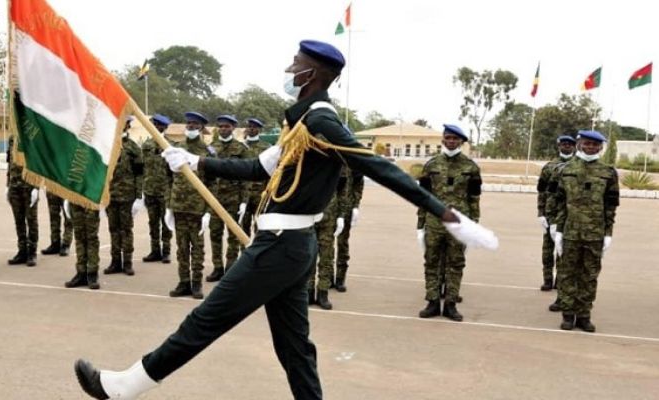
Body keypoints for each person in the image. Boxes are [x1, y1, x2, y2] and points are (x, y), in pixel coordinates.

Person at [73, 40, 496, 400]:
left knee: (205, 320)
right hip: (291, 246)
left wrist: (445, 214)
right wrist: (196, 162)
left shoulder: (321, 120)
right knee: (295, 347)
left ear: (310, 74)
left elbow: (374, 166)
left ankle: (125, 386)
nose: (289, 69)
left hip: (280, 245)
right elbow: (259, 168)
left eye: (295, 64)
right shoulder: (299, 122)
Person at [550, 130, 618, 332]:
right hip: (570, 232)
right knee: (567, 274)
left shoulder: (608, 173)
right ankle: (568, 315)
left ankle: (584, 315)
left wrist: (608, 233)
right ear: (580, 144)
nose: (590, 147)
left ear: (600, 147)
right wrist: (557, 229)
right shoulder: (565, 170)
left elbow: (610, 206)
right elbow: (559, 202)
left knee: (589, 275)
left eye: (595, 145)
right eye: (587, 144)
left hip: (595, 233)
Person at [416, 124, 482, 322]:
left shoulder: (471, 167)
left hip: (459, 223)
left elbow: (474, 199)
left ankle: (451, 304)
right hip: (434, 222)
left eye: (455, 139)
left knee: (456, 263)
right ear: (443, 140)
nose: (451, 141)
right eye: (448, 138)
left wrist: (474, 226)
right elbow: (422, 197)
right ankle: (433, 302)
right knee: (432, 262)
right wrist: (420, 225)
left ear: (461, 141)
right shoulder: (430, 165)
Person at [166, 111, 214, 300]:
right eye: (189, 124)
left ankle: (196, 284)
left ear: (202, 128)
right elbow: (169, 179)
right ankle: (183, 282)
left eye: (195, 124)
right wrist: (169, 205)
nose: (191, 127)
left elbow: (213, 184)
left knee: (198, 248)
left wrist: (209, 212)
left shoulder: (207, 152)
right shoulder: (177, 148)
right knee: (181, 248)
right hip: (179, 206)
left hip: (197, 208)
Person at [206, 114, 248, 282]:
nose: (224, 129)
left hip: (233, 199)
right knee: (215, 234)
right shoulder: (211, 147)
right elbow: (207, 176)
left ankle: (231, 268)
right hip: (215, 199)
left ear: (233, 128)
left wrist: (244, 200)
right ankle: (217, 267)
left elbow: (246, 176)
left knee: (233, 235)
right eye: (221, 126)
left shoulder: (241, 149)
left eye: (227, 126)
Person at [104, 116, 144, 276]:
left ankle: (127, 262)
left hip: (127, 196)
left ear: (127, 126)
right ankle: (115, 262)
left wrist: (139, 196)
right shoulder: (106, 146)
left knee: (126, 230)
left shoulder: (133, 148)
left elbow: (140, 174)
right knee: (113, 229)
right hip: (110, 195)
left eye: (123, 124)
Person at [536, 135, 575, 291]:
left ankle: (560, 280)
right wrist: (540, 212)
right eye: (563, 144)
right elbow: (541, 191)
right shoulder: (549, 167)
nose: (566, 147)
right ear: (559, 146)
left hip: (567, 216)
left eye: (569, 145)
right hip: (550, 214)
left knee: (562, 251)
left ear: (574, 147)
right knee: (547, 251)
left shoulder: (577, 166)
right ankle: (547, 279)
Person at [307, 172, 347, 310]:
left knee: (326, 256)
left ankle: (323, 292)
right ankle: (309, 291)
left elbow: (343, 191)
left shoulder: (337, 163)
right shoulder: (308, 162)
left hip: (329, 216)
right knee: (309, 255)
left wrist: (341, 215)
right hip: (309, 214)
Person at [141, 114, 174, 264]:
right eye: (154, 124)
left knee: (166, 223)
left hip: (165, 191)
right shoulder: (146, 145)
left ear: (164, 127)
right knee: (153, 223)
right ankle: (155, 251)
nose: (155, 127)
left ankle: (166, 252)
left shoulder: (171, 146)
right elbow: (143, 168)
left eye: (158, 125)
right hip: (149, 190)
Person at [6, 135, 39, 267]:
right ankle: (22, 250)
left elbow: (38, 163)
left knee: (31, 219)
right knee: (18, 220)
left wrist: (36, 187)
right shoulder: (12, 138)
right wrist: (7, 184)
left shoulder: (32, 136)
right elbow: (9, 163)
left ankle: (32, 252)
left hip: (29, 185)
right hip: (14, 185)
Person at [239, 118, 271, 237]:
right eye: (249, 126)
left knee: (261, 227)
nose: (251, 129)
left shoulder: (266, 147)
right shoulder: (241, 147)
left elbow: (271, 171)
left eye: (255, 127)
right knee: (243, 228)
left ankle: (259, 254)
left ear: (259, 129)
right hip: (243, 193)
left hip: (261, 193)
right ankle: (245, 252)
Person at [334, 167, 363, 292]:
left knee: (342, 243)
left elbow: (358, 185)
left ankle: (340, 278)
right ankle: (327, 277)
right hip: (329, 206)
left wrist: (356, 205)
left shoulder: (353, 164)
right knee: (326, 245)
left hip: (347, 208)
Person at [64, 201, 102, 290]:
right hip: (75, 199)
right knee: (79, 237)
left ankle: (92, 273)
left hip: (91, 198)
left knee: (91, 237)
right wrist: (67, 198)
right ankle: (81, 272)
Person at [42, 192, 72, 257]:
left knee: (68, 217)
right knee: (53, 215)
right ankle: (55, 242)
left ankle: (66, 244)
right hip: (52, 186)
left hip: (66, 186)